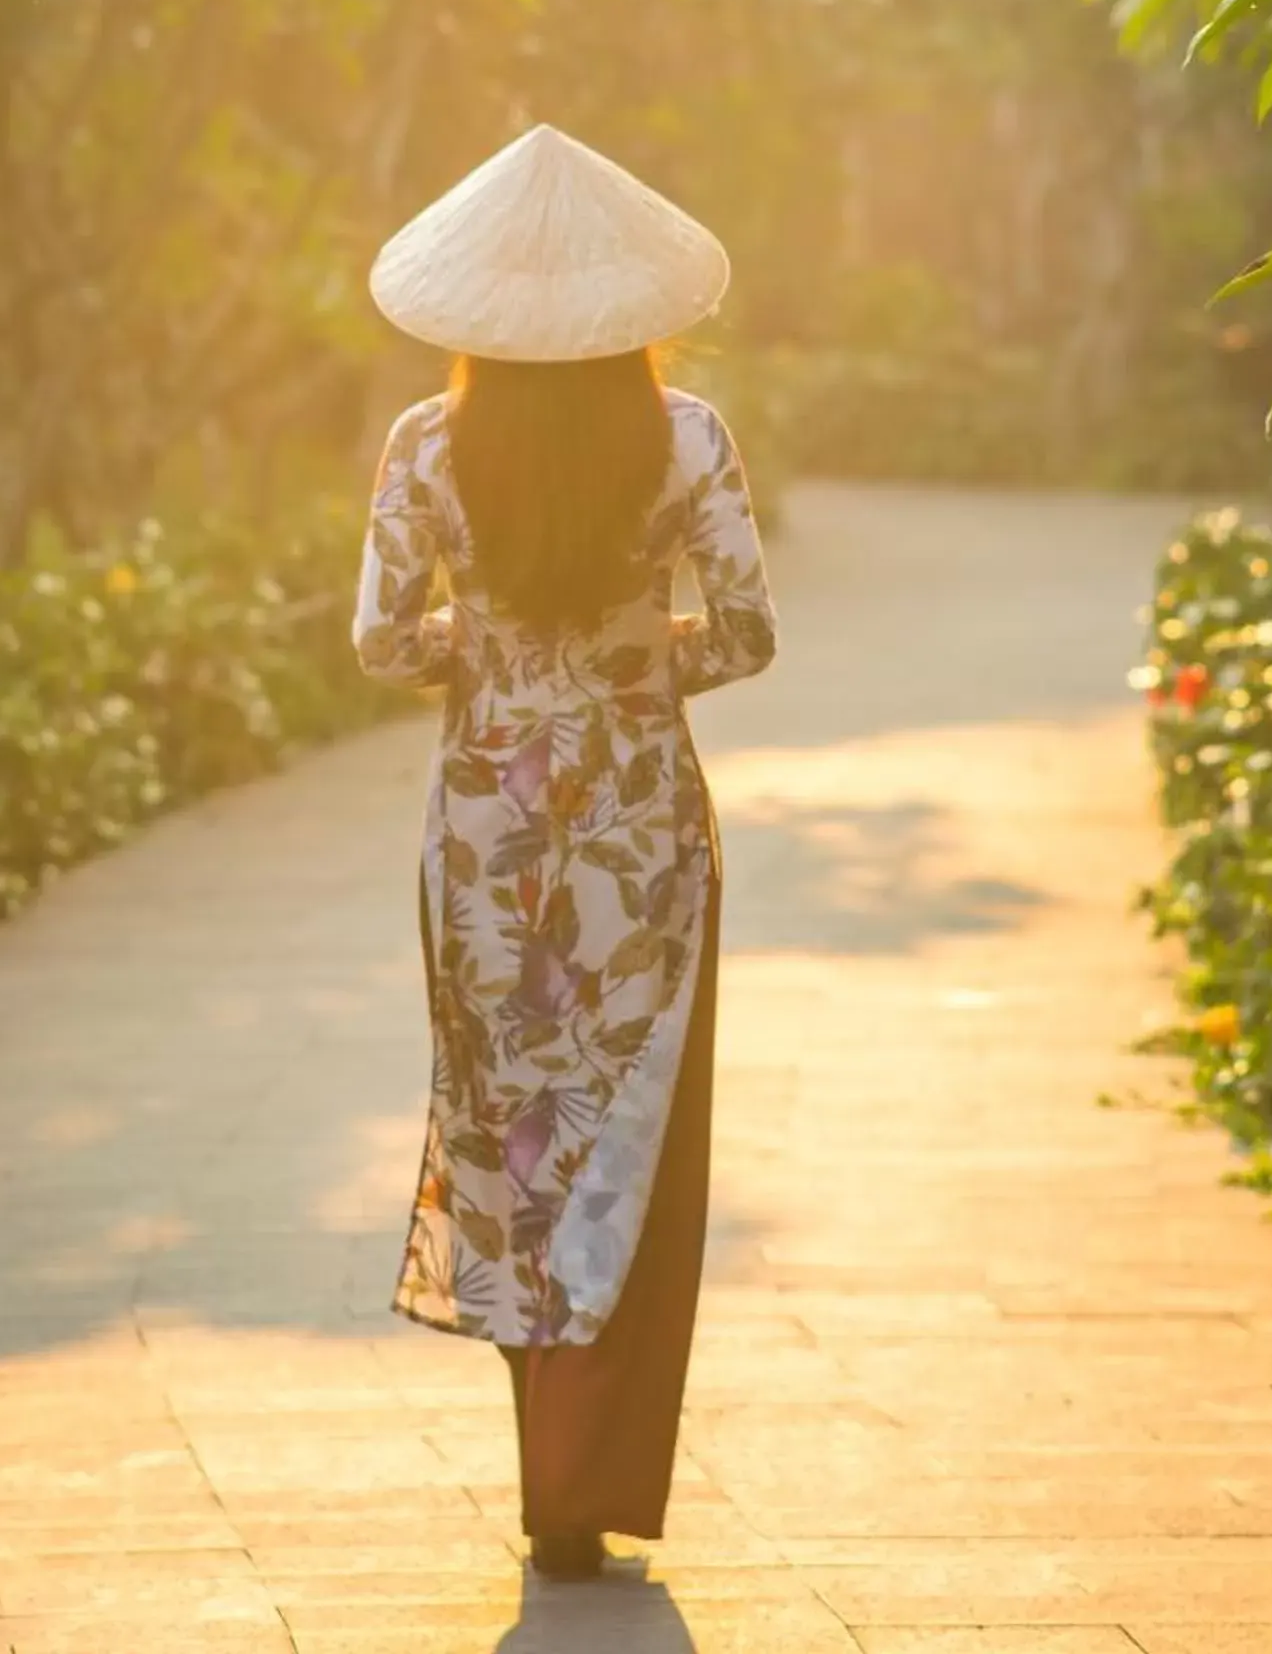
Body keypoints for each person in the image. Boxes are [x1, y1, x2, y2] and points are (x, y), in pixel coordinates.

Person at [350, 124, 777, 1582]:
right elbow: (749, 634)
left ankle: (548, 1482)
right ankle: (582, 1485)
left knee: (512, 1135)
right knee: (629, 1132)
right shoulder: (691, 438)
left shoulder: (426, 445)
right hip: (643, 833)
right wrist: (633, 665)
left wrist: (490, 658)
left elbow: (377, 639)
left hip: (481, 834)